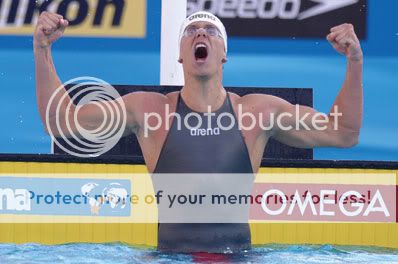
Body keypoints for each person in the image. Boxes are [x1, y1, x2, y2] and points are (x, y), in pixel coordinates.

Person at [34, 11, 363, 253]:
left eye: (211, 31)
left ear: (224, 55)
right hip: (168, 258)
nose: (200, 34)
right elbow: (62, 122)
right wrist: (42, 50)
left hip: (238, 259)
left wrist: (354, 61)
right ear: (181, 54)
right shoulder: (150, 111)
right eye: (191, 30)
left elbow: (344, 132)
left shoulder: (258, 113)